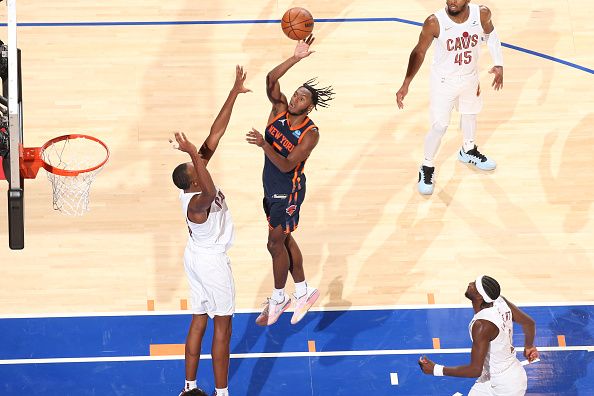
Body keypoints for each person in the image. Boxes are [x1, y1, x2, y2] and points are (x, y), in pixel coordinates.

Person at [172, 66, 251, 396]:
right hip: (211, 261)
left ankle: (188, 386)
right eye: (195, 166)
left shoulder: (192, 182)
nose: (200, 161)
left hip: (195, 258)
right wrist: (191, 152)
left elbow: (214, 135)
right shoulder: (196, 203)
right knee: (223, 326)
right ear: (192, 179)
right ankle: (222, 393)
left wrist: (233, 93)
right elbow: (210, 188)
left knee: (199, 317)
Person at [245, 35, 334, 326]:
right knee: (284, 239)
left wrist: (263, 144)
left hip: (289, 189)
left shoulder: (311, 133)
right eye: (295, 94)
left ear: (309, 107)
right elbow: (271, 79)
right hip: (270, 187)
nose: (295, 98)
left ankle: (279, 297)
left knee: (274, 244)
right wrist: (295, 57)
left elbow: (285, 165)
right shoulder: (279, 110)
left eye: (302, 97)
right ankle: (305, 291)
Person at [396, 0, 504, 195]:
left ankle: (468, 150)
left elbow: (491, 35)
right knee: (439, 126)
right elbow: (419, 51)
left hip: (470, 76)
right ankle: (426, 166)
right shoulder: (434, 22)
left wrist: (499, 63)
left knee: (470, 114)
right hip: (444, 82)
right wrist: (406, 83)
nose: (452, 1)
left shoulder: (481, 14)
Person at [419, 275, 539, 395]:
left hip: (507, 387)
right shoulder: (499, 301)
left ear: (479, 296)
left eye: (474, 285)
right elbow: (529, 323)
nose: (470, 283)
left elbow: (475, 370)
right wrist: (529, 346)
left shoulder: (482, 325)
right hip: (494, 377)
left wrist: (435, 369)